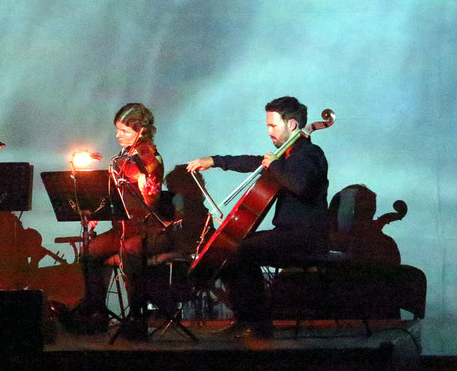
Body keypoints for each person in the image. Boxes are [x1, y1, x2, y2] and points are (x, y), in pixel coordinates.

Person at [186, 95, 329, 338]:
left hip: (306, 238)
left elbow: (301, 185)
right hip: (286, 235)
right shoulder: (286, 156)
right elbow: (253, 162)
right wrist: (214, 161)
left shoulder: (310, 154)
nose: (269, 132)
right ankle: (246, 319)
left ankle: (259, 324)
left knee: (242, 251)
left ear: (292, 125)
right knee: (232, 248)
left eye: (272, 126)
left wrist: (274, 166)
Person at [77, 103, 172, 340]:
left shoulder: (149, 156)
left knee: (130, 250)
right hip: (122, 227)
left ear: (141, 131)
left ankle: (137, 317)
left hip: (146, 229)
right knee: (89, 251)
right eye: (118, 130)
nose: (118, 135)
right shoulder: (123, 157)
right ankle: (96, 311)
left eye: (125, 131)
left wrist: (144, 182)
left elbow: (151, 198)